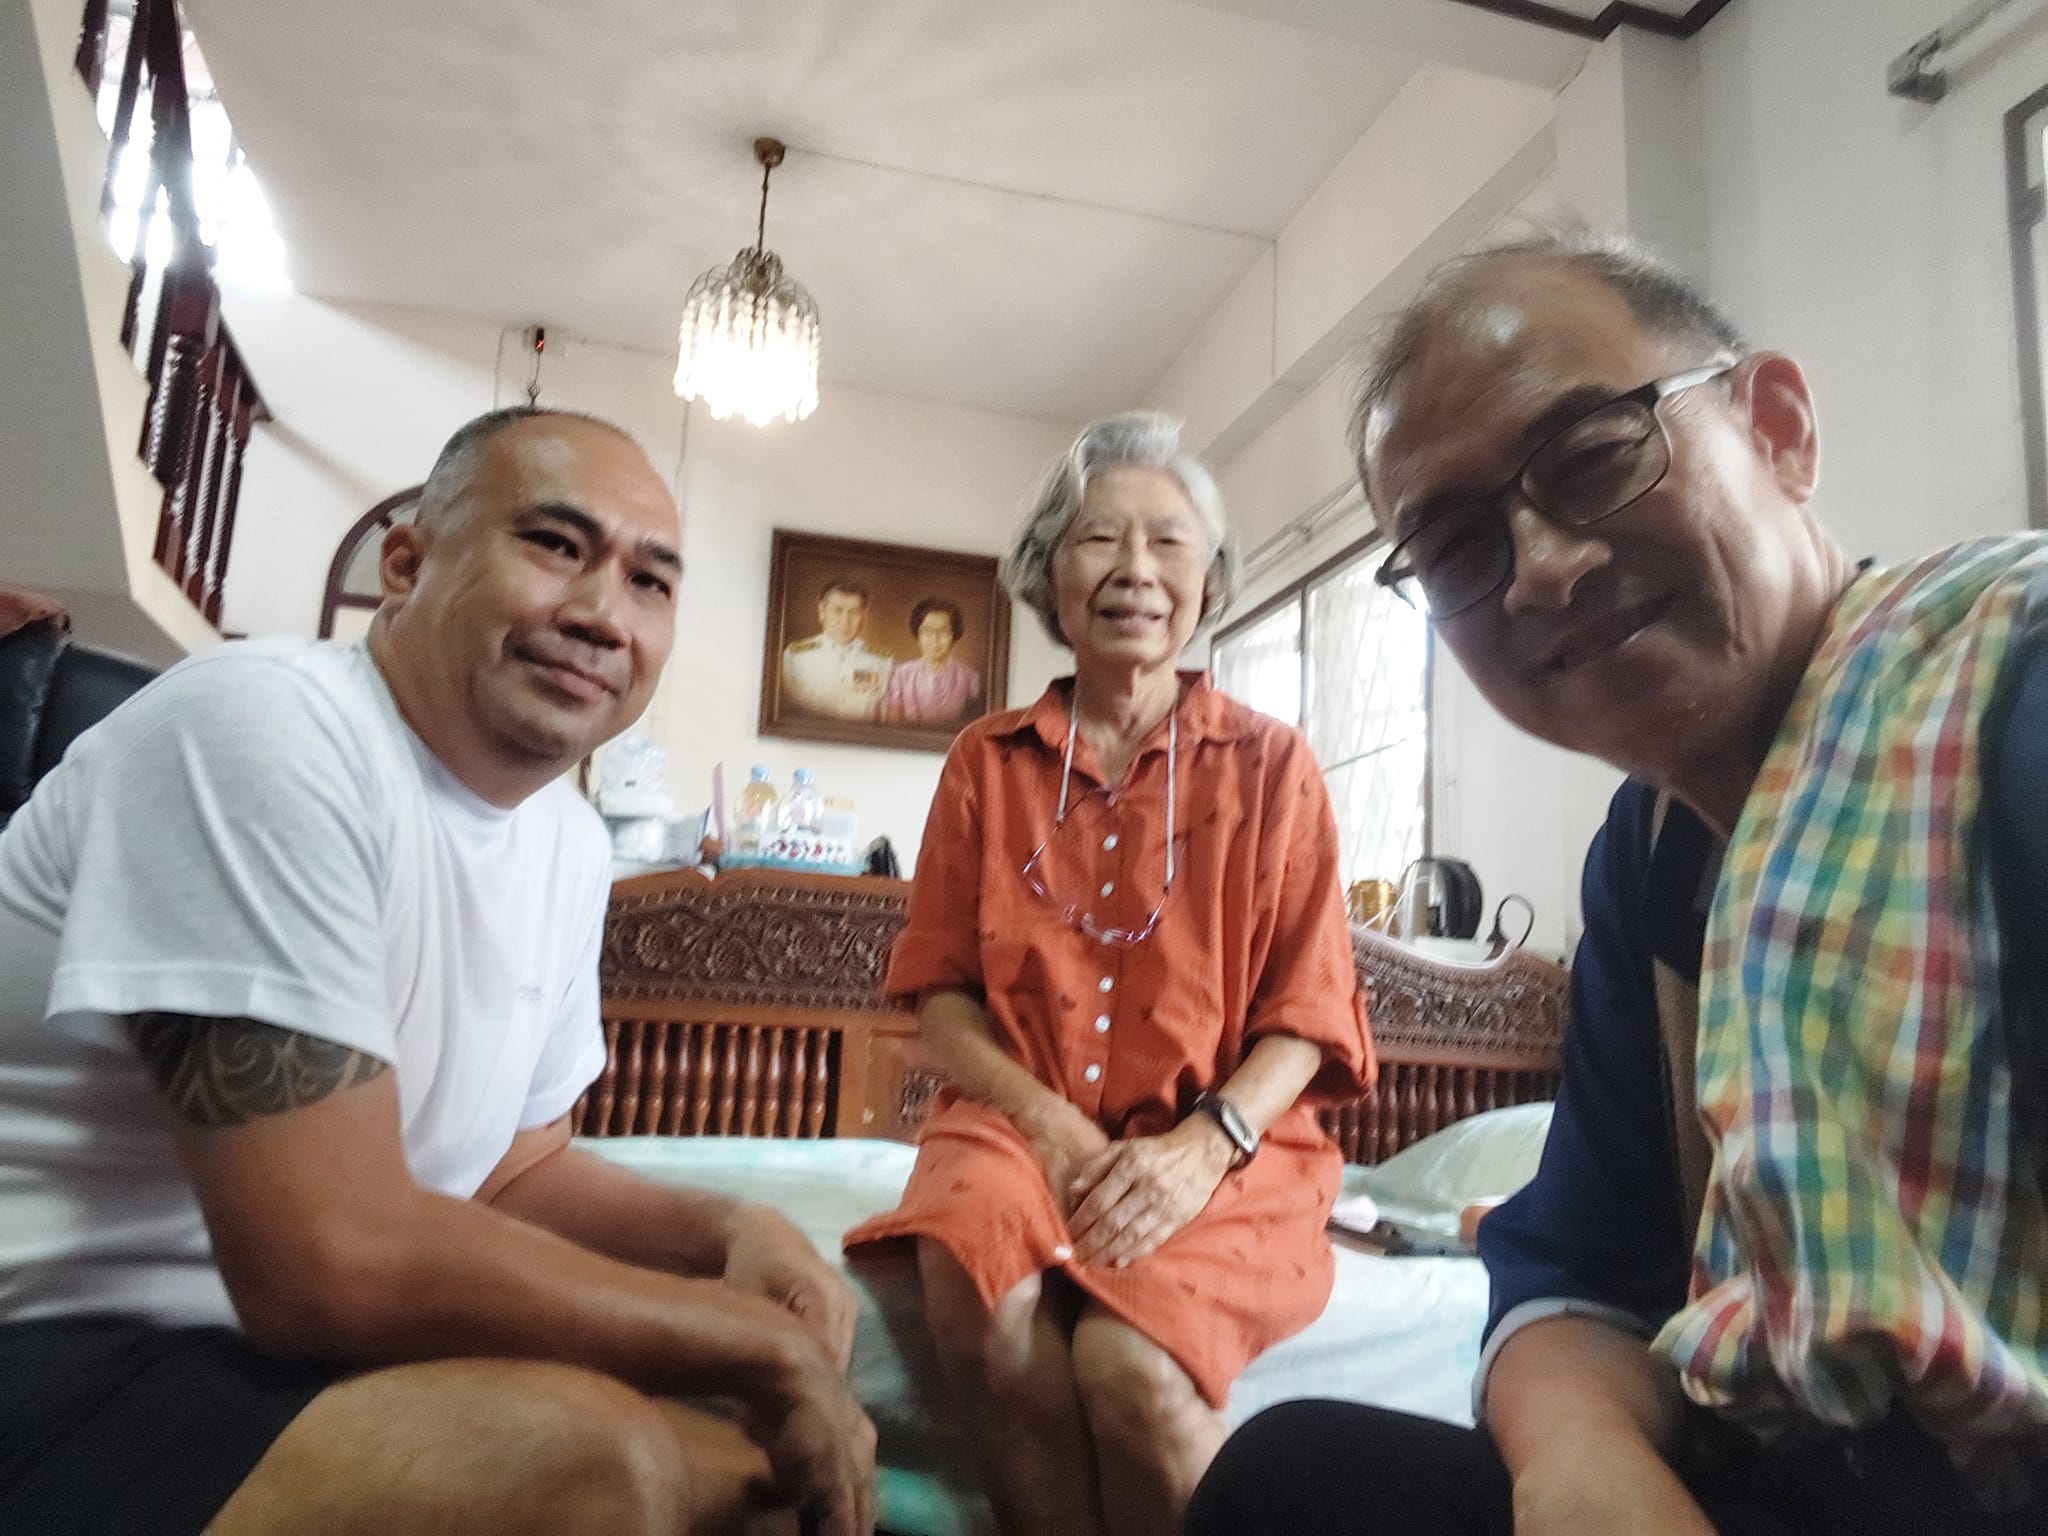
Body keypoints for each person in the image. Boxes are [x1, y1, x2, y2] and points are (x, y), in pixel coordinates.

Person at [1188, 233, 2048, 1535]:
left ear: (1777, 430)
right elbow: (1585, 1273)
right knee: (1290, 1480)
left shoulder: (2009, 698)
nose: (1541, 565)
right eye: (1458, 545)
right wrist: (1582, 1461)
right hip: (1798, 1479)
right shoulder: (1650, 855)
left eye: (1594, 457)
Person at [0, 406, 876, 1536]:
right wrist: (743, 1339)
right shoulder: (263, 728)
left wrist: (731, 1231)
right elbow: (331, 1258)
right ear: (407, 565)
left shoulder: (566, 841)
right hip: (57, 1336)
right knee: (590, 1461)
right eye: (553, 544)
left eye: (649, 582)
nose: (602, 613)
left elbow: (514, 1167)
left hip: (263, 1365)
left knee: (776, 1482)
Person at [845, 411, 1375, 1536]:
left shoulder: (1273, 765)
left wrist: (1202, 1148)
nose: (1136, 569)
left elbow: (1308, 1011)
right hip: (1013, 1117)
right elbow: (941, 996)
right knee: (978, 1291)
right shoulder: (984, 762)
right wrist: (1045, 1125)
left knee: (1131, 1370)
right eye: (1098, 538)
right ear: (1049, 571)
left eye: (1169, 542)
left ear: (1208, 580)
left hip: (1221, 1134)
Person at [781, 580, 893, 720]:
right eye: (837, 611)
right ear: (822, 612)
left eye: (854, 612)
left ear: (864, 615)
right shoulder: (796, 656)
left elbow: (884, 713)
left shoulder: (882, 660)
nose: (845, 621)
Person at [877, 597, 982, 726]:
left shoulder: (970, 678)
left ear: (954, 635)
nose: (935, 638)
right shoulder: (900, 675)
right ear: (918, 635)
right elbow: (892, 725)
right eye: (927, 631)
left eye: (943, 631)